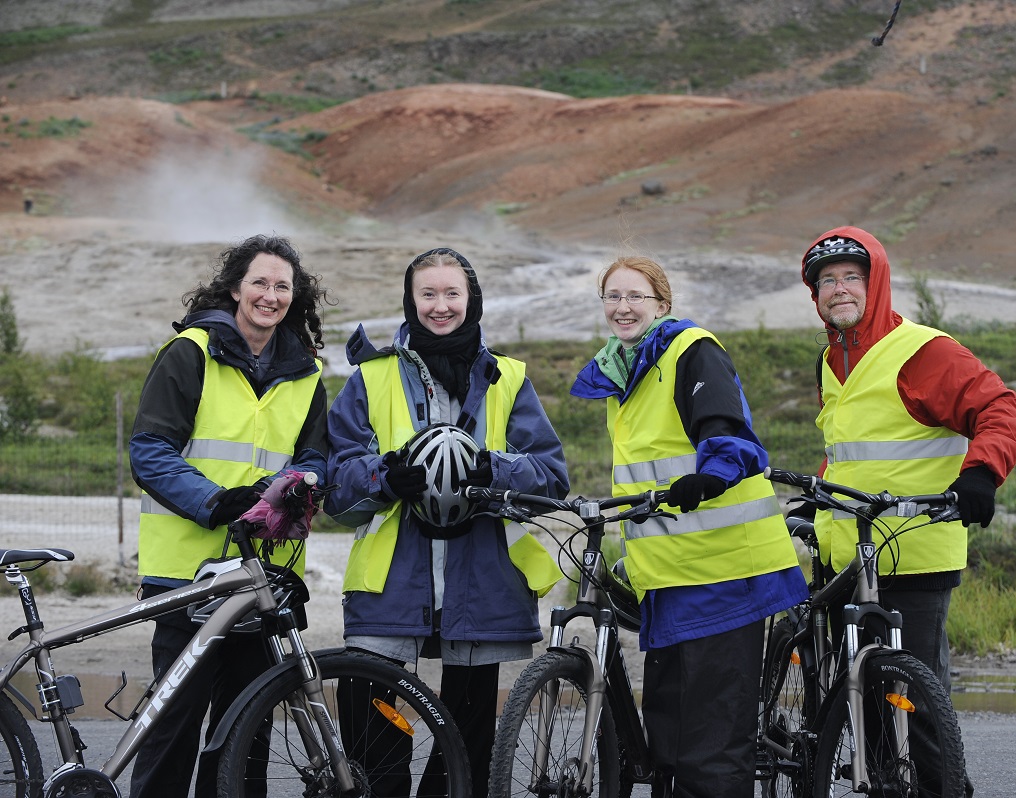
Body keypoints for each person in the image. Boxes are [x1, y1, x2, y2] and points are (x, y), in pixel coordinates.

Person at [324, 247, 569, 798]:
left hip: (482, 586)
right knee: (376, 751)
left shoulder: (508, 379)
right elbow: (336, 490)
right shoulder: (371, 377)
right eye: (427, 294)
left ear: (472, 299)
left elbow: (551, 478)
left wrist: (494, 469)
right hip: (389, 590)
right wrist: (383, 477)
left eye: (452, 293)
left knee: (465, 754)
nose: (441, 306)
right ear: (409, 301)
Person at [570, 255, 807, 798]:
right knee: (671, 737)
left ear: (663, 304)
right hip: (672, 575)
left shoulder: (691, 350)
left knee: (712, 743)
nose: (623, 307)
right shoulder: (623, 371)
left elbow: (725, 426)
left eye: (636, 296)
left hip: (726, 569)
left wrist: (713, 474)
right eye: (612, 297)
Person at [129, 234, 330, 798]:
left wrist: (292, 489)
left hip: (262, 578)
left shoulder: (308, 372)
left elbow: (314, 457)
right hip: (186, 576)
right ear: (236, 287)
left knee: (246, 740)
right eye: (260, 283)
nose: (270, 295)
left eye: (282, 286)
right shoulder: (191, 351)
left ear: (296, 296)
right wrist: (217, 503)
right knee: (172, 736)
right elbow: (149, 450)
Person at [800, 225, 1016, 695]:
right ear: (815, 294)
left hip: (914, 556)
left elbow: (1000, 408)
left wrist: (982, 473)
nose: (838, 289)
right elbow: (849, 448)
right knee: (865, 707)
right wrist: (821, 495)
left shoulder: (923, 351)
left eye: (850, 277)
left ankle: (939, 775)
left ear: (875, 282)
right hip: (848, 558)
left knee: (918, 712)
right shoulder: (831, 360)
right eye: (826, 281)